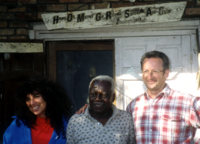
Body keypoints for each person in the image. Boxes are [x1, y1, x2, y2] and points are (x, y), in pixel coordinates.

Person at [126, 50, 200, 143]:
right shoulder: (133, 106)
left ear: (166, 73)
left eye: (155, 71)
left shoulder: (186, 102)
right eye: (146, 71)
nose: (150, 76)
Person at [3, 76, 72, 144]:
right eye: (28, 99)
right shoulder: (17, 125)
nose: (32, 103)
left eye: (36, 96)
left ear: (48, 97)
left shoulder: (66, 124)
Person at [67, 75, 135, 144]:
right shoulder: (75, 122)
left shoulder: (126, 120)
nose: (97, 99)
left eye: (104, 95)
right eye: (93, 95)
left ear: (113, 97)